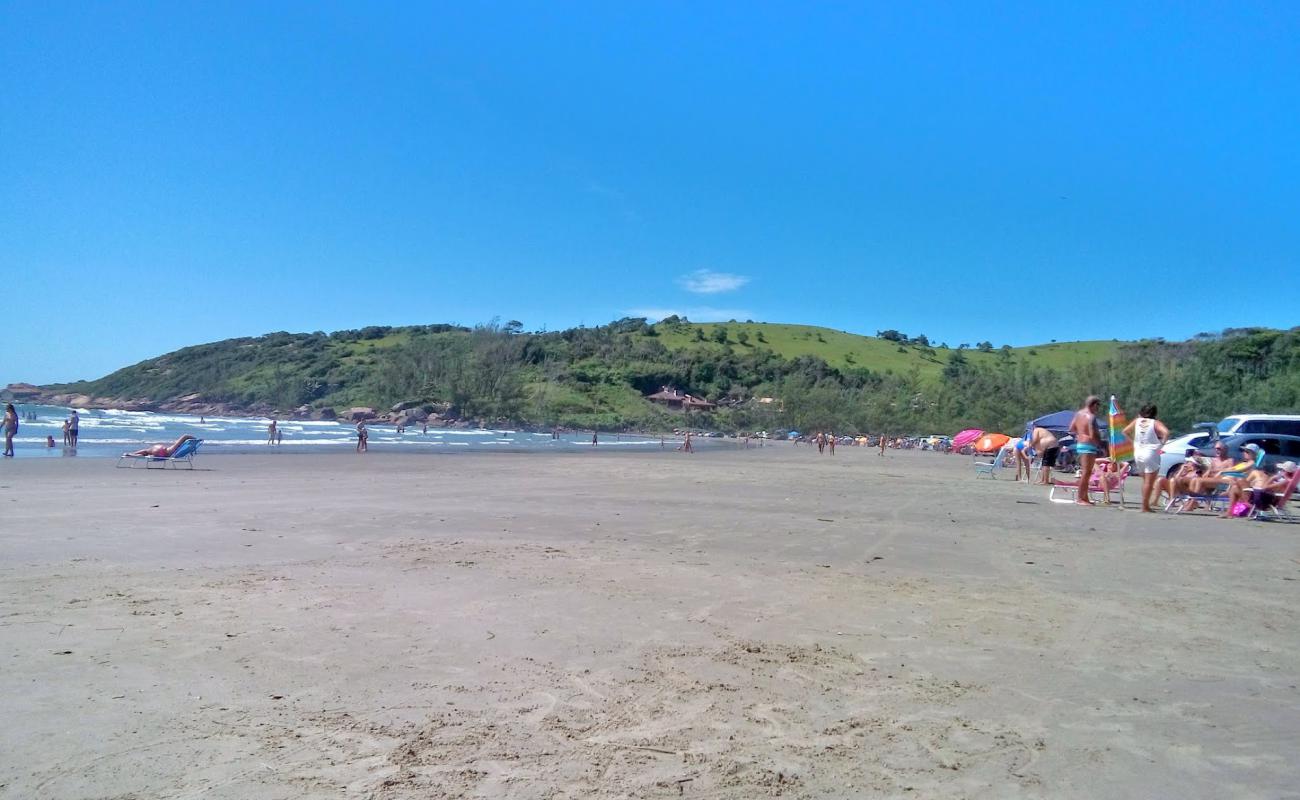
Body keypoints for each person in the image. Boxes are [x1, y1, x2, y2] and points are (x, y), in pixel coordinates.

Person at [1124, 404, 1170, 512]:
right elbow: (1166, 433)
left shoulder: (1137, 421)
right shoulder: (1155, 423)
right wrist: (1161, 444)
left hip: (1138, 452)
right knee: (1149, 481)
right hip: (1150, 452)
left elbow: (1125, 432)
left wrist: (1133, 442)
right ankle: (1145, 506)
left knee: (1145, 481)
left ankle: (1145, 504)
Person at [1219, 461, 1296, 518]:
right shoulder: (1288, 481)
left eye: (1282, 470)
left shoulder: (1284, 481)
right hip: (1264, 497)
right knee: (1235, 488)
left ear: (1286, 471)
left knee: (1241, 481)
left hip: (1263, 500)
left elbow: (1265, 487)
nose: (1280, 471)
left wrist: (1272, 478)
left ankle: (1244, 504)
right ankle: (1229, 512)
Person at [1068, 396, 1103, 506]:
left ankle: (1085, 497)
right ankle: (1080, 498)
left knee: (1086, 472)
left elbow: (1071, 428)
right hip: (1089, 445)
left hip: (1081, 443)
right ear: (1094, 405)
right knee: (1086, 473)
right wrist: (1099, 441)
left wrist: (1080, 434)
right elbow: (1093, 434)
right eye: (1098, 405)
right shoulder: (1091, 417)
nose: (1098, 408)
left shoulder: (1078, 414)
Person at [126, 434, 197, 458]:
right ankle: (134, 454)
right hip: (161, 452)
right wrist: (195, 442)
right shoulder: (175, 449)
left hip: (161, 451)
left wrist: (195, 440)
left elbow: (185, 436)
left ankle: (133, 454)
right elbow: (186, 437)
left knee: (146, 451)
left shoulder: (172, 449)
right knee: (146, 452)